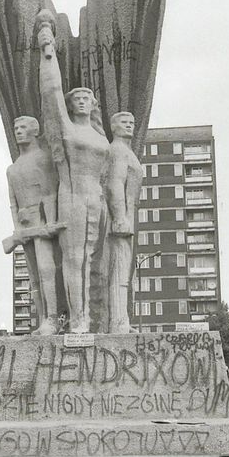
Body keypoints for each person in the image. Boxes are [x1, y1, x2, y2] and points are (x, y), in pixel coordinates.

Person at [37, 10, 110, 333]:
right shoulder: (65, 131)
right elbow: (51, 94)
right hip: (73, 196)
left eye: (87, 97)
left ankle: (97, 317)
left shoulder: (99, 136)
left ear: (93, 105)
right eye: (76, 98)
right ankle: (79, 319)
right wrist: (47, 48)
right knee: (74, 259)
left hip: (97, 199)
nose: (81, 101)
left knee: (95, 263)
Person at [3, 115, 64, 335]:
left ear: (34, 131)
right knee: (34, 275)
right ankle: (42, 319)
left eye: (23, 127)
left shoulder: (43, 158)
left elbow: (49, 193)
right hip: (25, 226)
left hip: (42, 222)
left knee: (47, 270)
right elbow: (12, 202)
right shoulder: (12, 169)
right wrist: (17, 231)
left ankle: (53, 318)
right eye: (16, 127)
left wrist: (50, 221)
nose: (18, 131)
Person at [105, 111, 143, 333]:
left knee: (123, 273)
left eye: (132, 122)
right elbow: (115, 184)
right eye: (123, 122)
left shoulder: (126, 151)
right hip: (121, 220)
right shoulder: (118, 150)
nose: (129, 126)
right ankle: (118, 322)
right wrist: (119, 216)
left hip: (128, 217)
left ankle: (122, 320)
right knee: (119, 272)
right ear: (113, 126)